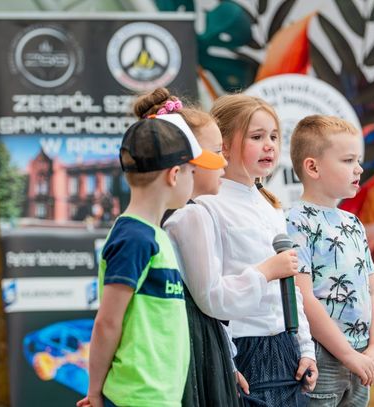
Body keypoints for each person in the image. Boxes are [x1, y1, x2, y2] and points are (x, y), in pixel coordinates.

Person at [76, 113, 226, 407]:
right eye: (191, 171)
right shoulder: (134, 237)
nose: (193, 178)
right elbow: (108, 321)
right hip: (136, 397)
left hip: (159, 396)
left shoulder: (154, 235)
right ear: (174, 175)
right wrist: (94, 392)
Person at [182, 93, 318, 406]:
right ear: (224, 146)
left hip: (286, 349)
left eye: (274, 136)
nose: (269, 145)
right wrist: (226, 363)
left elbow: (291, 289)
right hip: (242, 347)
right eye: (257, 137)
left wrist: (305, 348)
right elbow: (207, 298)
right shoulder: (207, 206)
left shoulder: (272, 207)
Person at [134, 87, 242, 407]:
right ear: (186, 161)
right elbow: (212, 298)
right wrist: (266, 274)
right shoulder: (189, 215)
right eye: (216, 152)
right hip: (192, 346)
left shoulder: (167, 217)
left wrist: (227, 362)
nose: (224, 162)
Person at [286, 115, 374, 407]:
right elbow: (304, 297)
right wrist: (347, 354)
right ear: (313, 167)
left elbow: (373, 291)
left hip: (362, 356)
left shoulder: (353, 223)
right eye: (348, 160)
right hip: (323, 357)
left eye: (358, 160)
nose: (359, 168)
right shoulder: (295, 221)